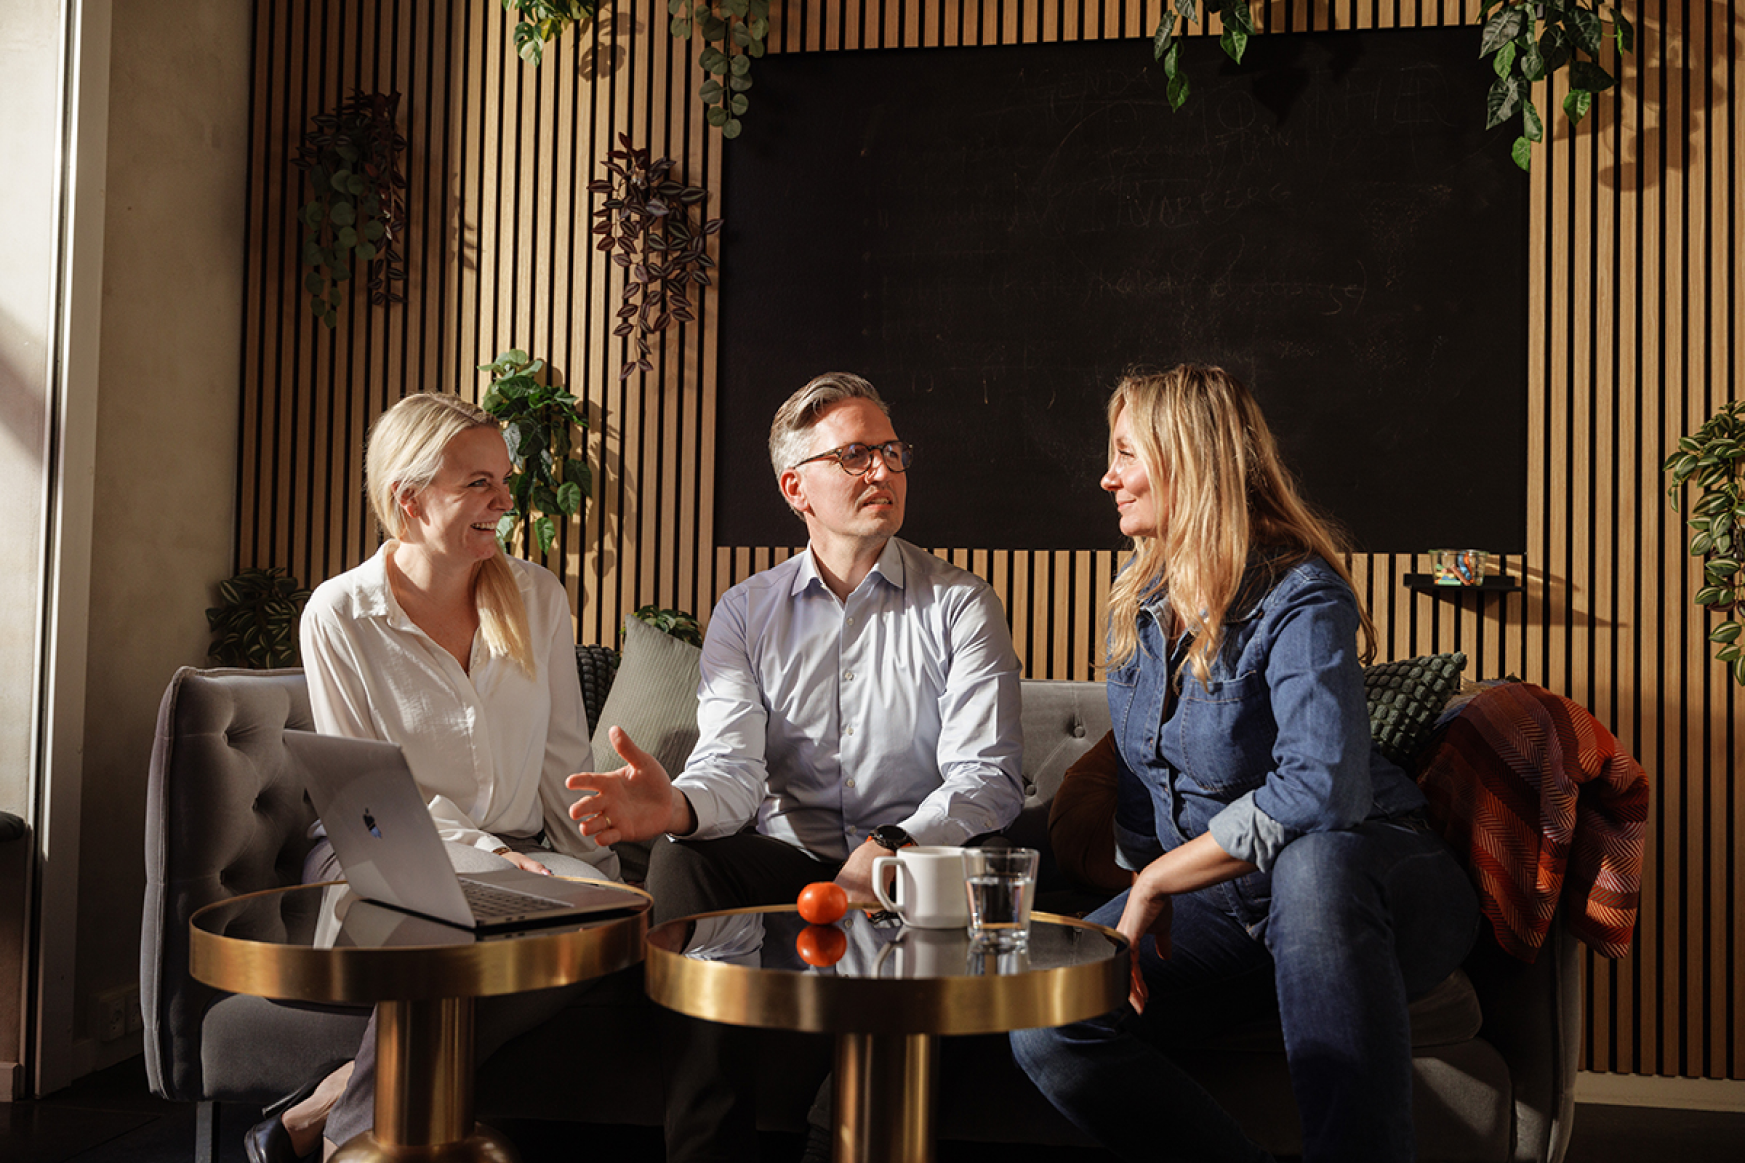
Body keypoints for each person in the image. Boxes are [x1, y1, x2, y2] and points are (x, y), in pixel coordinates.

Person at [1010, 365, 1479, 1163]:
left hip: (1375, 883)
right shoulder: (1139, 607)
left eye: (1125, 452)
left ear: (1187, 459)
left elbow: (1322, 790)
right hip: (1231, 908)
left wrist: (1156, 881)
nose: (1106, 476)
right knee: (1047, 1012)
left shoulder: (1300, 593)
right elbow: (1137, 802)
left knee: (1313, 866)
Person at [566, 371, 1024, 1161]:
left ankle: (835, 1139)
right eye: (853, 455)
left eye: (890, 451)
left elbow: (985, 776)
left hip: (913, 865)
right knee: (682, 857)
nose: (881, 470)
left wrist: (889, 846)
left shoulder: (959, 603)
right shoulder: (746, 611)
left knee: (964, 873)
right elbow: (731, 768)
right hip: (792, 865)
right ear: (795, 487)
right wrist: (673, 807)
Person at [247, 392, 618, 1163]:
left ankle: (330, 1108)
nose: (504, 500)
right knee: (450, 921)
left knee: (610, 928)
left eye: (502, 479)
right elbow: (362, 792)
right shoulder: (339, 613)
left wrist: (603, 884)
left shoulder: (540, 597)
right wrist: (480, 856)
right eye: (477, 482)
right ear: (407, 499)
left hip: (520, 854)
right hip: (374, 849)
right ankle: (356, 1136)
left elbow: (561, 761)